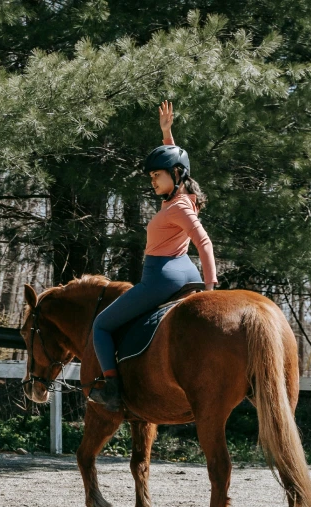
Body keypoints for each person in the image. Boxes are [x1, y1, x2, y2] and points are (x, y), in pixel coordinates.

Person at [90, 101, 218, 411]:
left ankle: (113, 390)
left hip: (161, 278)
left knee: (101, 326)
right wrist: (166, 134)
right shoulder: (181, 197)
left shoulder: (178, 207)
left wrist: (211, 287)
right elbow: (178, 162)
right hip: (185, 272)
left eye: (157, 175)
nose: (153, 180)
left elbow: (204, 242)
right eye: (151, 176)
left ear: (175, 174)